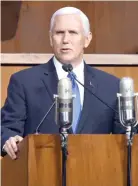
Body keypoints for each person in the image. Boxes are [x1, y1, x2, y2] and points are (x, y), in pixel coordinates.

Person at [1, 7, 125, 159]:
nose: (66, 40)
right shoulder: (24, 82)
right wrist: (9, 139)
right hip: (40, 173)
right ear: (50, 38)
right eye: (59, 33)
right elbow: (7, 128)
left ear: (87, 39)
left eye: (73, 32)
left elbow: (126, 138)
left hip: (95, 172)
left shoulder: (111, 86)